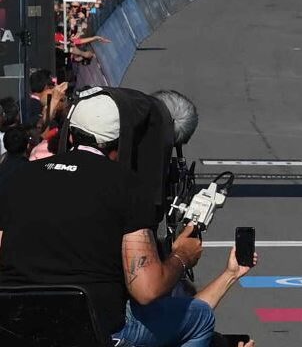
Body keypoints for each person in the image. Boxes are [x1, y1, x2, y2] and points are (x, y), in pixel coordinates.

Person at [0, 92, 257, 346]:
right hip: (97, 328)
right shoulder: (128, 187)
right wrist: (181, 257)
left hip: (17, 323)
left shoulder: (17, 177)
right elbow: (147, 290)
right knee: (200, 318)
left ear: (69, 134)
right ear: (122, 143)